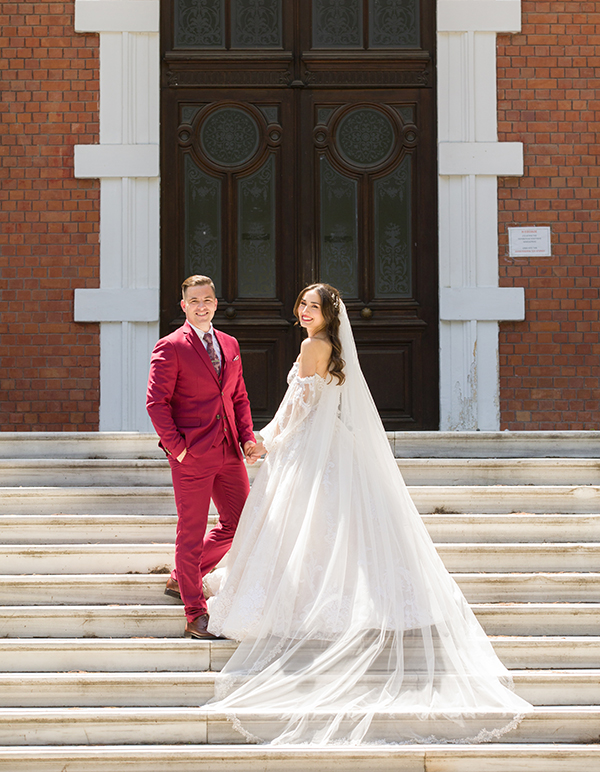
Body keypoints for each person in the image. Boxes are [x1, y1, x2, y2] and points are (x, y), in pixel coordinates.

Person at [202, 283, 532, 744]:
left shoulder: (311, 346)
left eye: (312, 307)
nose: (303, 312)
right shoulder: (334, 348)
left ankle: (300, 602)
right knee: (332, 527)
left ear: (326, 314)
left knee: (303, 526)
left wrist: (266, 440)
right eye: (302, 305)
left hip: (308, 448)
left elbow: (297, 407)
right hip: (333, 442)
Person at [146, 274, 261, 639]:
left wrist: (246, 438)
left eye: (207, 299)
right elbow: (156, 404)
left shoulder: (229, 343)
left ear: (215, 302)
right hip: (191, 455)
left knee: (241, 522)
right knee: (190, 532)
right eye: (194, 300)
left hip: (229, 451)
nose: (201, 305)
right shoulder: (170, 346)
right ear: (184, 305)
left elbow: (238, 397)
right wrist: (178, 449)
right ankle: (195, 613)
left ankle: (183, 577)